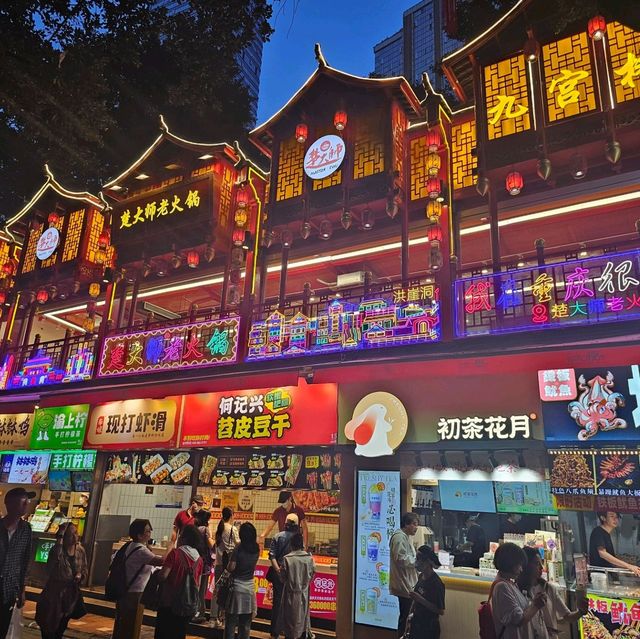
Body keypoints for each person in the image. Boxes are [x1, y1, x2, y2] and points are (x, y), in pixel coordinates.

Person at [518, 546, 588, 637]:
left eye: (541, 563)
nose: (541, 568)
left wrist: (581, 612)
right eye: (536, 563)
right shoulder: (516, 591)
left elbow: (567, 616)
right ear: (526, 565)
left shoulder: (548, 588)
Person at [112, 519, 164, 639]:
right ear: (139, 535)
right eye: (147, 531)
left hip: (125, 590)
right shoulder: (141, 550)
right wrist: (172, 544)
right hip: (135, 593)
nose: (150, 533)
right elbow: (161, 561)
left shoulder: (130, 545)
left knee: (122, 623)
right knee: (131, 626)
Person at [36, 522, 88, 639]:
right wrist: (59, 541)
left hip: (70, 595)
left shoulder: (80, 550)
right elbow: (50, 569)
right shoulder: (57, 550)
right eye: (71, 534)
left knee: (61, 626)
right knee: (49, 626)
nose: (75, 536)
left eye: (76, 533)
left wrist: (80, 575)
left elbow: (84, 569)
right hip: (54, 594)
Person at [155, 524, 204, 639]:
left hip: (169, 602)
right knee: (179, 633)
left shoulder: (175, 553)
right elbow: (198, 584)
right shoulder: (199, 560)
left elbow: (163, 576)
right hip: (187, 605)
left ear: (184, 538)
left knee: (163, 633)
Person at [491, 542, 547, 639]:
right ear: (510, 563)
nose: (521, 570)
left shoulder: (509, 584)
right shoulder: (501, 587)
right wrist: (536, 605)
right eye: (519, 565)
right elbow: (519, 620)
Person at [0, 487, 34, 638]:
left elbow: (25, 560)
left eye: (27, 502)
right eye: (23, 502)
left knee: (3, 627)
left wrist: (22, 589)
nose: (27, 505)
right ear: (9, 504)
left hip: (9, 588)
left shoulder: (26, 529)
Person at [223, 522, 260, 639]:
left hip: (237, 588)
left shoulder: (238, 547)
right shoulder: (257, 548)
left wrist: (227, 562)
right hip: (249, 589)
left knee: (230, 623)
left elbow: (231, 567)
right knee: (245, 625)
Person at [268, 513, 299, 639]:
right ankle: (288, 631)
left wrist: (277, 570)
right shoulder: (297, 538)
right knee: (291, 604)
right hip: (292, 575)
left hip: (278, 575)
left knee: (277, 602)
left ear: (285, 523)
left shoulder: (277, 536)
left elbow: (271, 555)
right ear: (296, 525)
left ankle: (274, 631)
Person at [278, 532, 315, 639]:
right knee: (303, 621)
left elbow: (282, 578)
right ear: (302, 545)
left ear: (291, 545)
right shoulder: (309, 559)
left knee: (290, 623)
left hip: (290, 594)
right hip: (304, 594)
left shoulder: (287, 559)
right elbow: (312, 575)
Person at [404, 546, 445, 639]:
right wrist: (408, 619)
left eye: (419, 559)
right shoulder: (421, 576)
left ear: (427, 562)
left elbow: (440, 610)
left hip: (429, 628)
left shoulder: (436, 584)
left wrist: (420, 599)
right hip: (417, 624)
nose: (416, 563)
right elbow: (415, 601)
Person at [389, 512, 419, 639]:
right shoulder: (399, 537)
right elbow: (400, 559)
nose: (416, 527)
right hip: (403, 584)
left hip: (407, 583)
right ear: (406, 524)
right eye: (414, 524)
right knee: (405, 616)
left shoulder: (405, 537)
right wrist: (417, 562)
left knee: (407, 616)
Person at [211, 507, 240, 628]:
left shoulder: (219, 528)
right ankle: (223, 617)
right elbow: (238, 544)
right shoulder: (232, 529)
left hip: (218, 563)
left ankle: (213, 617)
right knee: (227, 590)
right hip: (228, 565)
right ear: (231, 515)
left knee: (217, 589)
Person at [192, 509, 214, 624]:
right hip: (204, 563)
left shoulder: (194, 529)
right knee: (202, 589)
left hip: (195, 560)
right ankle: (199, 613)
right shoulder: (205, 530)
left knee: (195, 586)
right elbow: (211, 545)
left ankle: (194, 611)